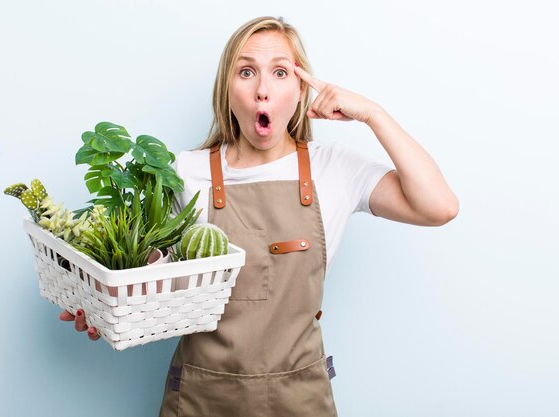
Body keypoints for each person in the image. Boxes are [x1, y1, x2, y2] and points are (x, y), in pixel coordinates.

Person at [63, 15, 458, 416]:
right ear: (227, 90)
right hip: (201, 397)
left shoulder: (333, 169)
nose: (262, 91)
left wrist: (373, 114)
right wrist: (104, 308)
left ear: (301, 91)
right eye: (246, 72)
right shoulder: (184, 171)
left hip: (300, 398)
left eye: (281, 72)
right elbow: (150, 275)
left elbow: (439, 207)